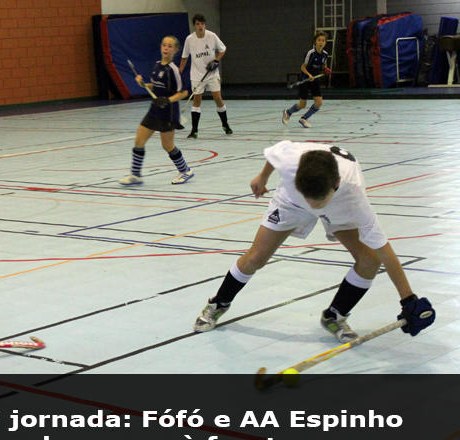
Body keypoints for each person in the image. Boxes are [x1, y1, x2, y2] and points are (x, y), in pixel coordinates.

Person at [193, 141, 436, 343]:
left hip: (338, 206)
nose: (313, 207)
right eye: (309, 199)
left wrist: (408, 299)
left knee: (370, 260)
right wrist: (263, 176)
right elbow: (276, 151)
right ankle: (218, 304)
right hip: (291, 202)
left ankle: (334, 316)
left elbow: (385, 251)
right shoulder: (291, 165)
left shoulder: (353, 197)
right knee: (255, 258)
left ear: (336, 184)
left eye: (318, 202)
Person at [118, 36, 192, 186]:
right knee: (139, 141)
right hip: (154, 110)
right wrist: (144, 84)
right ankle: (136, 175)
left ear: (175, 50)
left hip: (168, 112)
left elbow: (183, 92)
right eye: (164, 45)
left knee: (167, 145)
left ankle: (185, 171)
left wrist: (167, 100)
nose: (166, 48)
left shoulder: (173, 70)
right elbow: (155, 85)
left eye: (170, 46)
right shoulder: (158, 65)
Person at [179, 14, 232, 138]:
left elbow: (223, 49)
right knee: (197, 100)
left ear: (205, 24)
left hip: (212, 73)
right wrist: (178, 73)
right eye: (198, 24)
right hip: (197, 75)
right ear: (194, 26)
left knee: (218, 98)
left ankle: (225, 125)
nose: (200, 26)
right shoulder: (189, 39)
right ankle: (194, 130)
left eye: (202, 23)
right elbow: (184, 58)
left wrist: (216, 60)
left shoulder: (212, 36)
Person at [283, 31, 331, 128]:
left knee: (318, 103)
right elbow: (303, 67)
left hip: (315, 80)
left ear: (325, 42)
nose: (321, 42)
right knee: (302, 105)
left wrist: (326, 70)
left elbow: (324, 65)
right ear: (315, 42)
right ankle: (288, 112)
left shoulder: (325, 54)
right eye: (319, 40)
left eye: (323, 40)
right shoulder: (310, 53)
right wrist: (309, 75)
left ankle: (304, 118)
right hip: (305, 80)